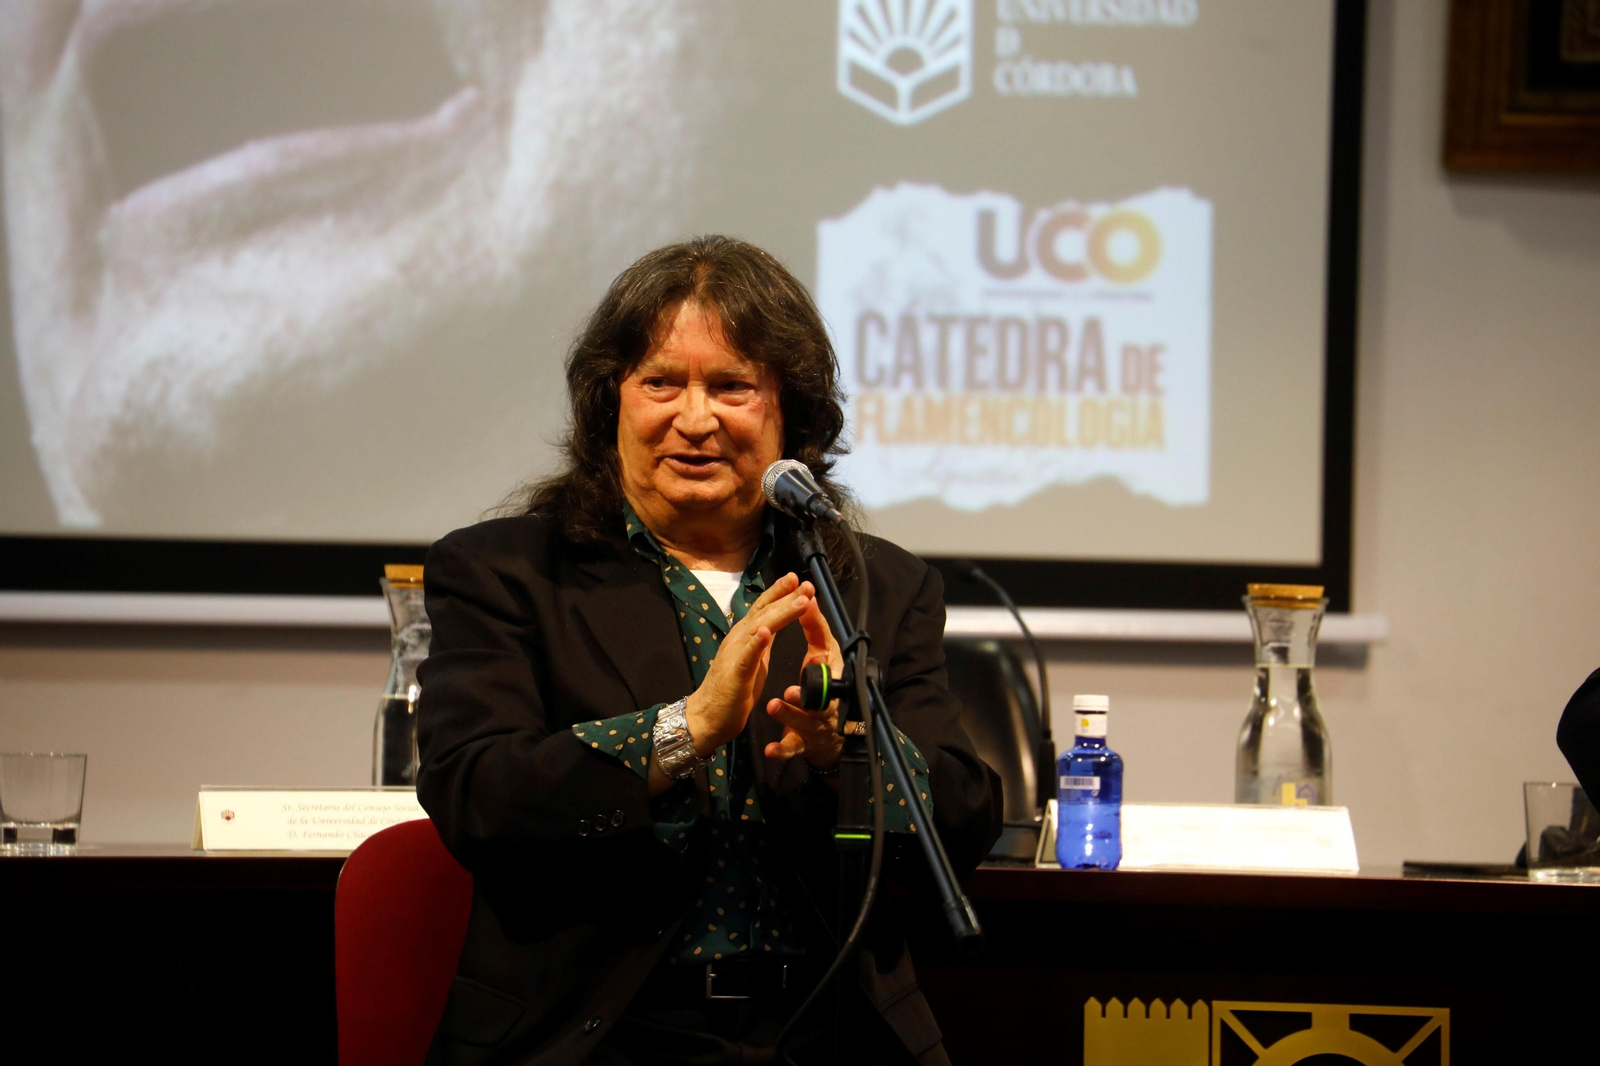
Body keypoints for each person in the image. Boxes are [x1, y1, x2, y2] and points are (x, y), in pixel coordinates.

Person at [416, 236, 1003, 1065]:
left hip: (829, 1028)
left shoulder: (875, 585)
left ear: (790, 416)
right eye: (662, 382)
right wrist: (682, 730)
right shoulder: (506, 572)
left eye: (732, 386)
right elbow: (476, 795)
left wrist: (853, 753)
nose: (695, 419)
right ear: (608, 403)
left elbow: (968, 822)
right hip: (600, 1035)